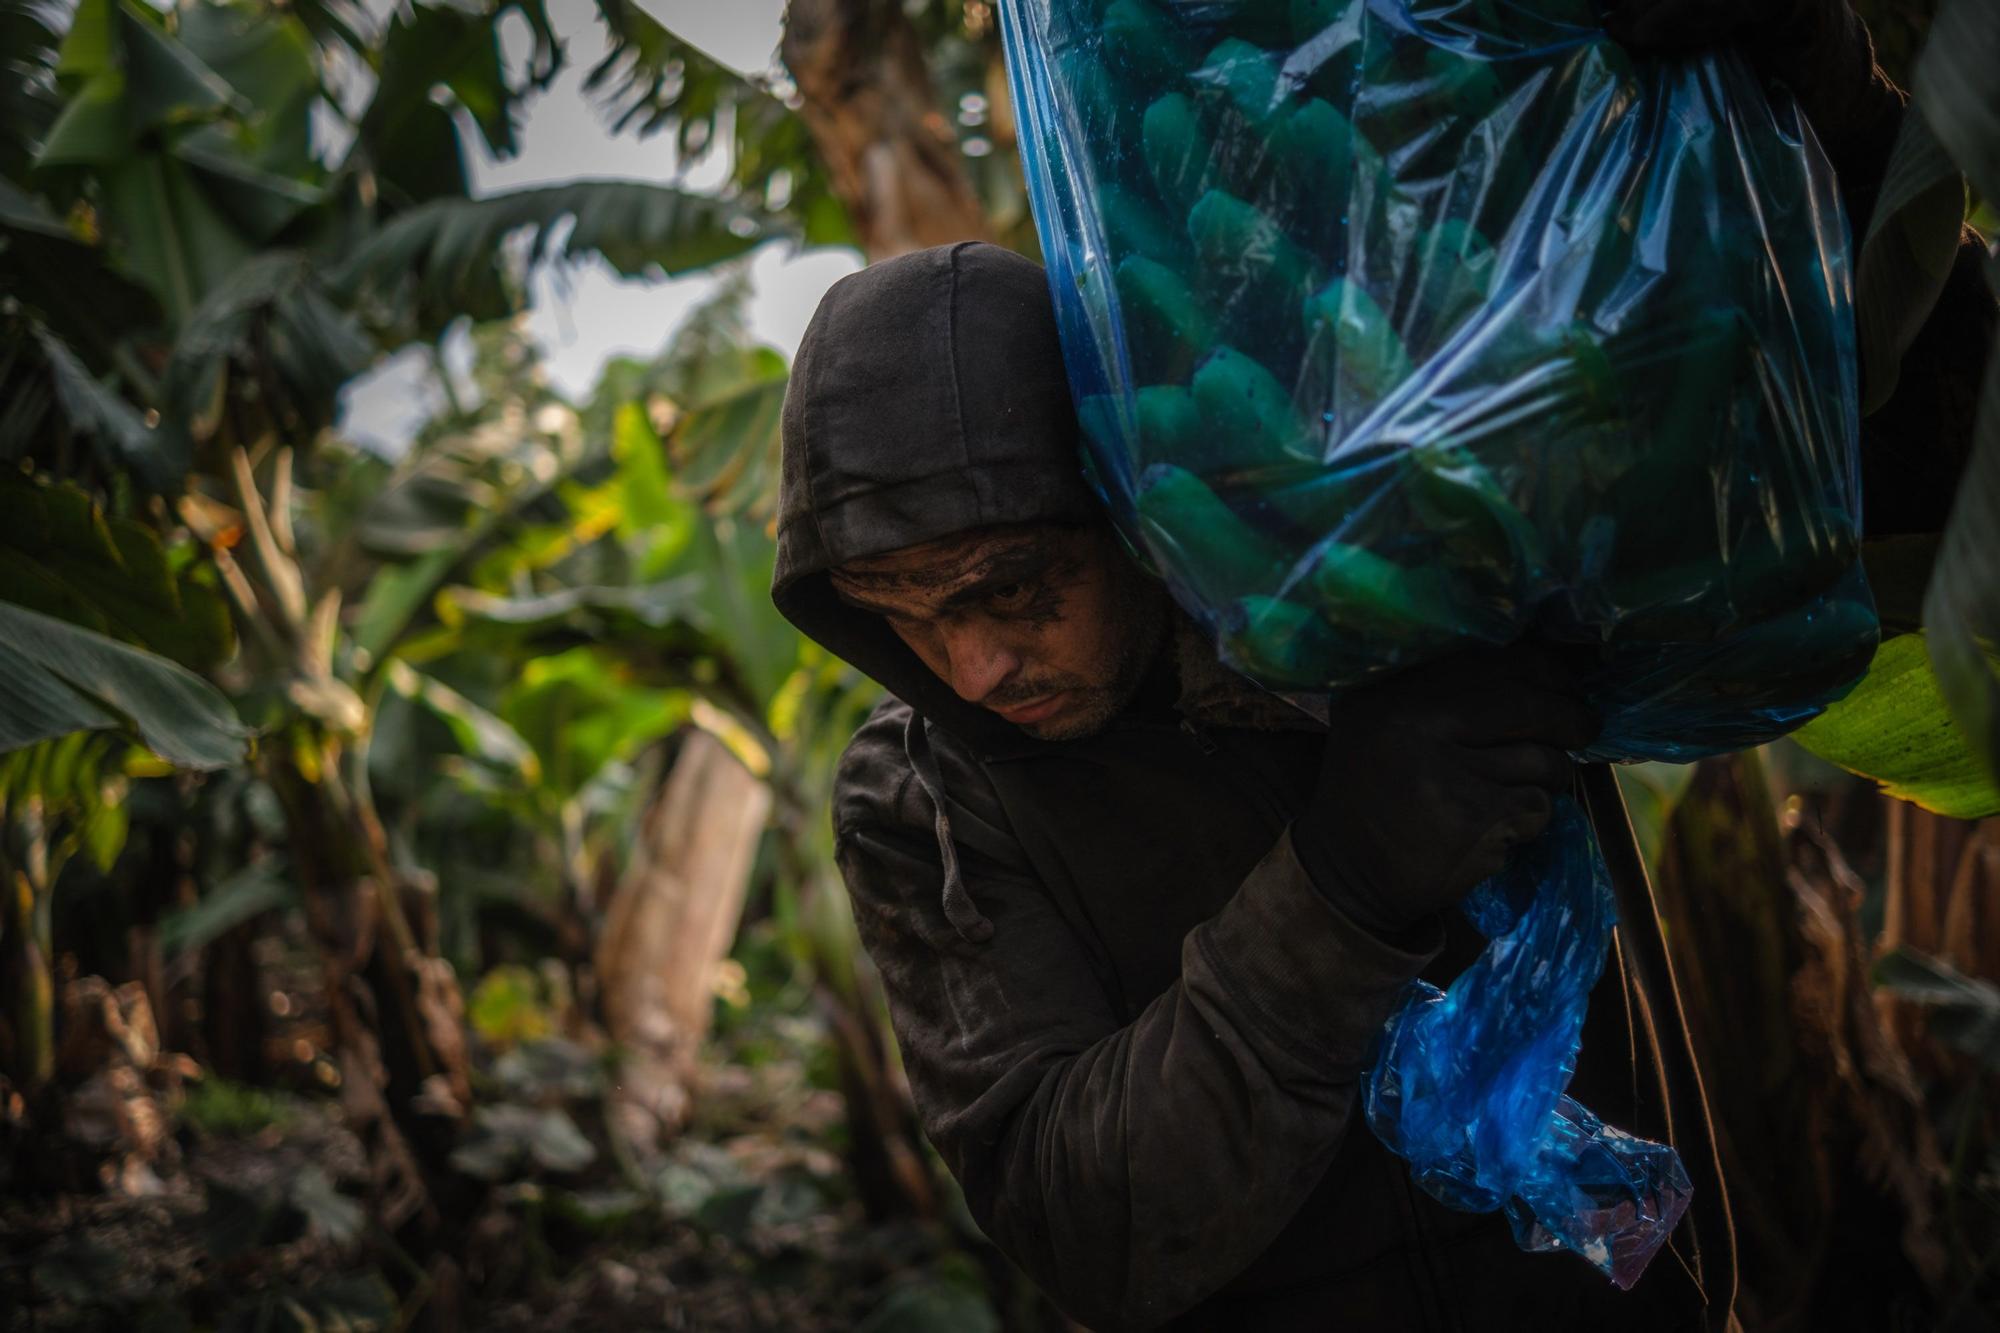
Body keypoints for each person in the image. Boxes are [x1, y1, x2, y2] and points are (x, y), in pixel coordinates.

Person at [767, 8, 1992, 1328]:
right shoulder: (921, 799)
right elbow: (1083, 1218)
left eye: (1014, 587)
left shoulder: (1406, 565)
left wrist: (1834, 113)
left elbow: (1891, 480)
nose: (973, 666)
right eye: (901, 616)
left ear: (1126, 498)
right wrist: (1343, 886)